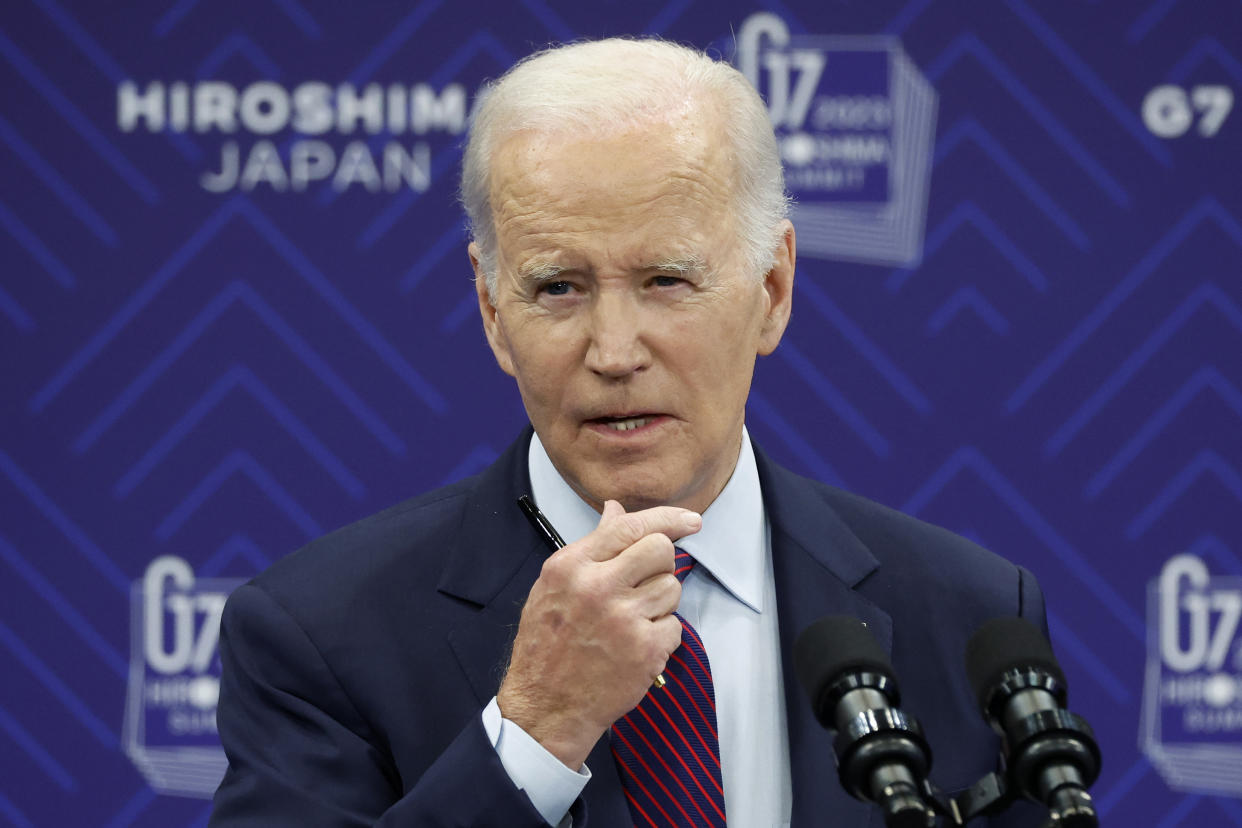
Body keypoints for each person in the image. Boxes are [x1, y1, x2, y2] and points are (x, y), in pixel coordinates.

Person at [209, 38, 1047, 827]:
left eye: (667, 280)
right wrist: (532, 734)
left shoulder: (970, 617)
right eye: (560, 288)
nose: (613, 352)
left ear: (774, 289)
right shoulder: (318, 636)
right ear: (493, 311)